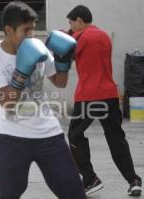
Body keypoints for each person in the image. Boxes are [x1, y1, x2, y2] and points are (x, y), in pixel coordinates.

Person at [0, 1, 86, 198]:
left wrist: (64, 61)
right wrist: (21, 72)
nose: (31, 35)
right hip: (13, 136)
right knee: (8, 194)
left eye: (33, 29)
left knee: (73, 190)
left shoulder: (38, 47)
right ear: (8, 30)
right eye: (26, 30)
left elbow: (60, 82)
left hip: (49, 133)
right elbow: (7, 103)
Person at [66, 5, 142, 197]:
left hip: (88, 97)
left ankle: (90, 179)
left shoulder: (80, 38)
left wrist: (61, 38)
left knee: (75, 136)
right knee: (116, 138)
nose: (70, 26)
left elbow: (64, 55)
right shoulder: (104, 36)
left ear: (80, 20)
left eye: (71, 22)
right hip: (109, 95)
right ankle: (133, 180)